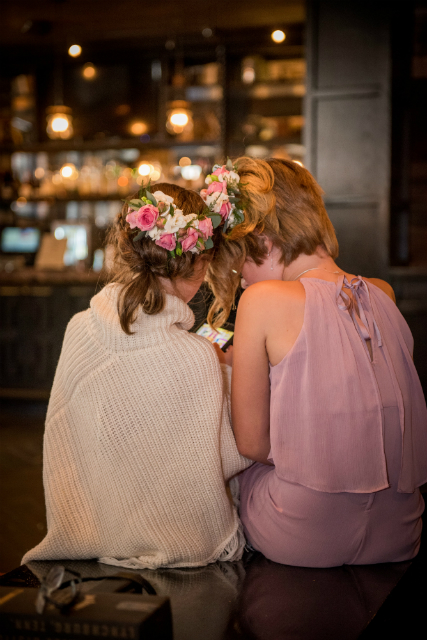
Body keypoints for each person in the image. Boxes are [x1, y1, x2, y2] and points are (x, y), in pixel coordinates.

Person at [205, 157, 427, 568]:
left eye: (241, 266)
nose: (242, 280)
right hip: (401, 530)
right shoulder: (383, 294)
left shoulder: (262, 300)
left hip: (303, 535)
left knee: (229, 474)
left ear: (266, 244)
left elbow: (252, 443)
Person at [22, 183, 250, 570]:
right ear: (199, 264)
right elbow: (223, 457)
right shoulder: (197, 357)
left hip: (93, 530)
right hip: (182, 544)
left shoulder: (80, 329)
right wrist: (233, 378)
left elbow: (69, 438)